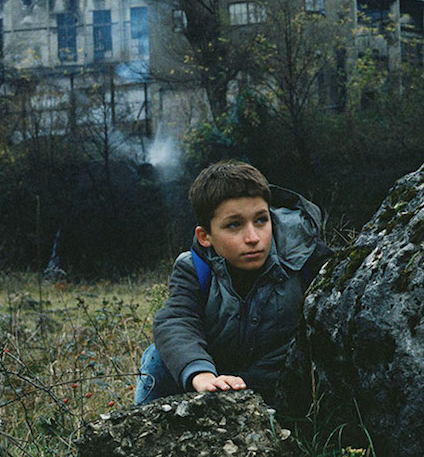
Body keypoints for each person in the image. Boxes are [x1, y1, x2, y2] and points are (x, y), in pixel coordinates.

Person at [134, 160, 331, 406]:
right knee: (156, 357)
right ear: (205, 236)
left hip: (279, 381)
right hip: (213, 377)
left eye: (261, 220)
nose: (253, 238)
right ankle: (141, 425)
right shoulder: (194, 267)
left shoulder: (306, 256)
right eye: (234, 225)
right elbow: (176, 320)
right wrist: (201, 374)